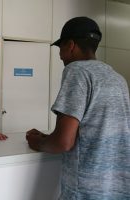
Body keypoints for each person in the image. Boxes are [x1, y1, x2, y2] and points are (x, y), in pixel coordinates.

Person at [26, 17, 130, 199]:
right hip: (118, 189)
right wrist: (48, 136)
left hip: (85, 190)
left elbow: (64, 142)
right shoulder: (117, 78)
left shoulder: (76, 71)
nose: (60, 55)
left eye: (61, 48)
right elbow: (99, 130)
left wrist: (38, 143)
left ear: (71, 45)